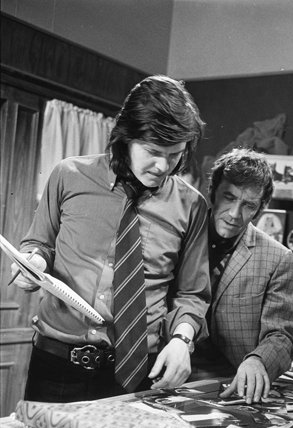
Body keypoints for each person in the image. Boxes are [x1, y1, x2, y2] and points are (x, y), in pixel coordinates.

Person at [11, 75, 211, 403]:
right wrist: (33, 262)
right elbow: (40, 244)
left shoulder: (192, 205)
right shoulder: (68, 175)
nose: (163, 165)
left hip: (140, 371)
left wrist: (181, 340)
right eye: (153, 151)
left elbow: (192, 294)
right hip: (56, 366)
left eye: (175, 153)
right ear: (125, 137)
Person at [190, 148, 293, 403]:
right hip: (168, 371)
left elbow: (281, 337)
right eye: (228, 197)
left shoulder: (277, 257)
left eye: (248, 205)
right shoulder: (181, 236)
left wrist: (258, 360)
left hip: (232, 383)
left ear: (260, 209)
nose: (234, 214)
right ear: (212, 191)